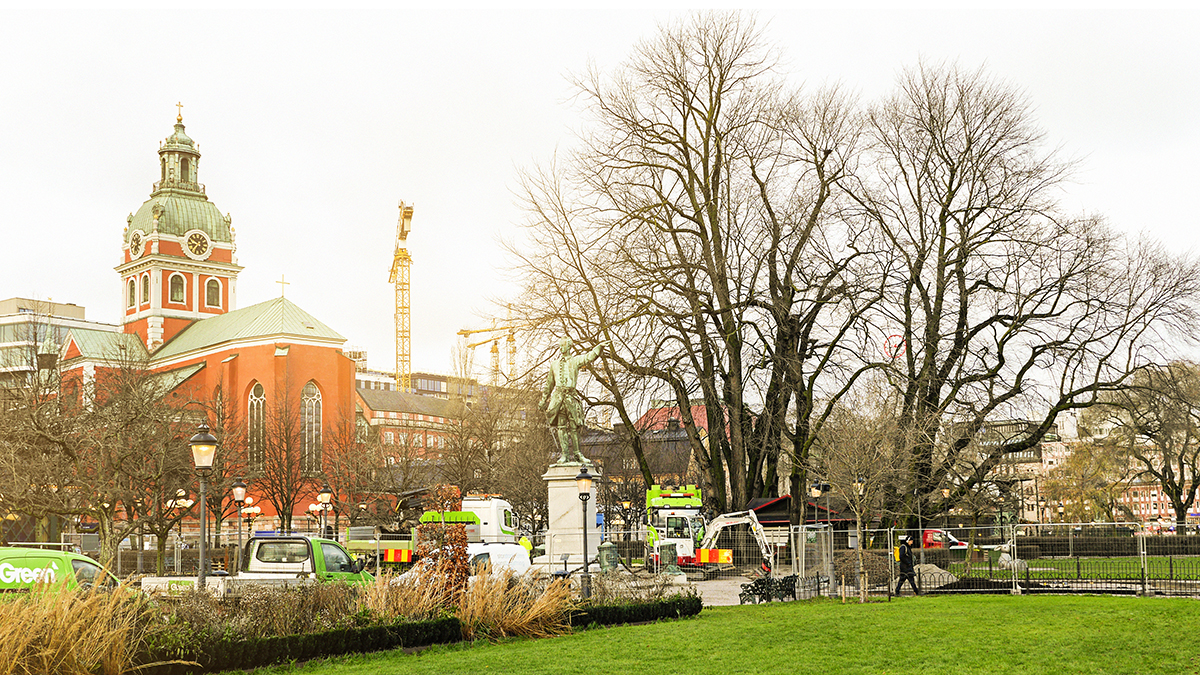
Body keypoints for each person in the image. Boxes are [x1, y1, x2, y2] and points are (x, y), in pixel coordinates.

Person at [539, 337, 608, 464]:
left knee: (574, 426)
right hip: (558, 397)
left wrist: (598, 348)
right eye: (559, 345)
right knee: (561, 426)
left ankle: (577, 454)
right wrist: (543, 400)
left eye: (563, 345)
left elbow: (589, 357)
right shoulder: (554, 364)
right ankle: (564, 455)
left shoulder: (575, 361)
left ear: (569, 346)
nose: (561, 348)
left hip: (571, 397)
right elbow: (549, 384)